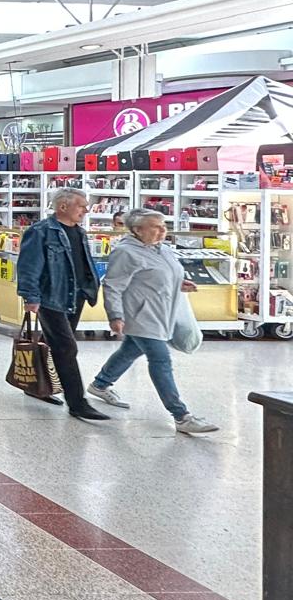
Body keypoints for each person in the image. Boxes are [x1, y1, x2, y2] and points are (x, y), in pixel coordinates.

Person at [88, 208, 219, 435]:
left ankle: (100, 384)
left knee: (129, 350)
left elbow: (160, 275)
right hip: (141, 316)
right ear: (137, 230)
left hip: (162, 312)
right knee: (161, 360)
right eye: (155, 227)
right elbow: (113, 285)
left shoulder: (162, 249)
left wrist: (179, 284)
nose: (162, 231)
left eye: (163, 226)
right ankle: (181, 415)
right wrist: (115, 316)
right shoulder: (126, 252)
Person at [16, 186, 110, 422]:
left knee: (51, 344)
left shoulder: (79, 232)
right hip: (51, 297)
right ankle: (77, 402)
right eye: (81, 205)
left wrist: (90, 287)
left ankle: (36, 385)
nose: (86, 210)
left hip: (75, 296)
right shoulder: (41, 232)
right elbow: (28, 266)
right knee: (67, 348)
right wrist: (31, 297)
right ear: (63, 206)